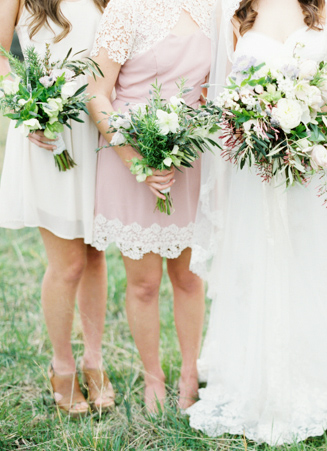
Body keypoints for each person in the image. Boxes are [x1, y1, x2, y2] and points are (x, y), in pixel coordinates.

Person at [186, 0, 327, 445]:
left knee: (321, 261)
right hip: (256, 170)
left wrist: (310, 126)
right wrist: (254, 125)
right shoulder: (236, 10)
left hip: (315, 166)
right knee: (259, 265)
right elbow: (222, 100)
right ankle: (260, 377)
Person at [87, 0, 213, 412]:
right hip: (129, 156)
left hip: (189, 158)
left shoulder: (216, 7)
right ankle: (153, 377)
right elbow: (98, 95)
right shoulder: (125, 9)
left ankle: (190, 374)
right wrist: (136, 161)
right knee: (143, 284)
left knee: (190, 278)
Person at [0, 0, 114, 416]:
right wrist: (26, 107)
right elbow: (0, 56)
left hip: (94, 128)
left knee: (96, 254)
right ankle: (62, 365)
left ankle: (95, 361)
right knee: (67, 264)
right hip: (48, 134)